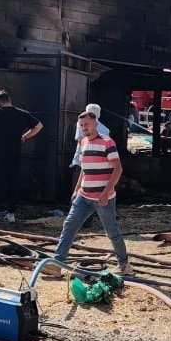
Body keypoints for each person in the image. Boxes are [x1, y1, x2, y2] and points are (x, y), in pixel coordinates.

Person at [51, 109, 130, 274]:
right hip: (84, 196)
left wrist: (107, 191)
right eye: (81, 125)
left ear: (95, 123)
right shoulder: (83, 142)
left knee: (111, 232)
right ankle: (57, 264)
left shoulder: (107, 142)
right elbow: (84, 169)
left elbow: (118, 168)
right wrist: (77, 189)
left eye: (86, 124)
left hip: (103, 198)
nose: (84, 127)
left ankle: (124, 265)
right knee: (69, 225)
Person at [0, 90, 42, 224]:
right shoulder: (23, 113)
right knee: (13, 181)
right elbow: (39, 126)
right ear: (10, 100)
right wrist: (25, 137)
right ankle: (11, 213)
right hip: (15, 153)